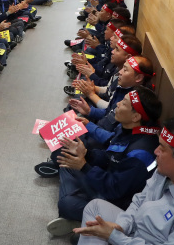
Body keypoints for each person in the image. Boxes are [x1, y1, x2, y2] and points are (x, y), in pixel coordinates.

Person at [47, 87, 161, 233]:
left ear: (136, 117)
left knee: (67, 204)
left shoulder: (141, 153)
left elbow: (113, 191)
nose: (118, 104)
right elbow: (109, 158)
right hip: (107, 179)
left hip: (115, 202)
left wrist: (84, 167)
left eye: (124, 103)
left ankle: (83, 215)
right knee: (68, 159)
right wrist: (86, 154)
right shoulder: (127, 129)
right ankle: (83, 216)